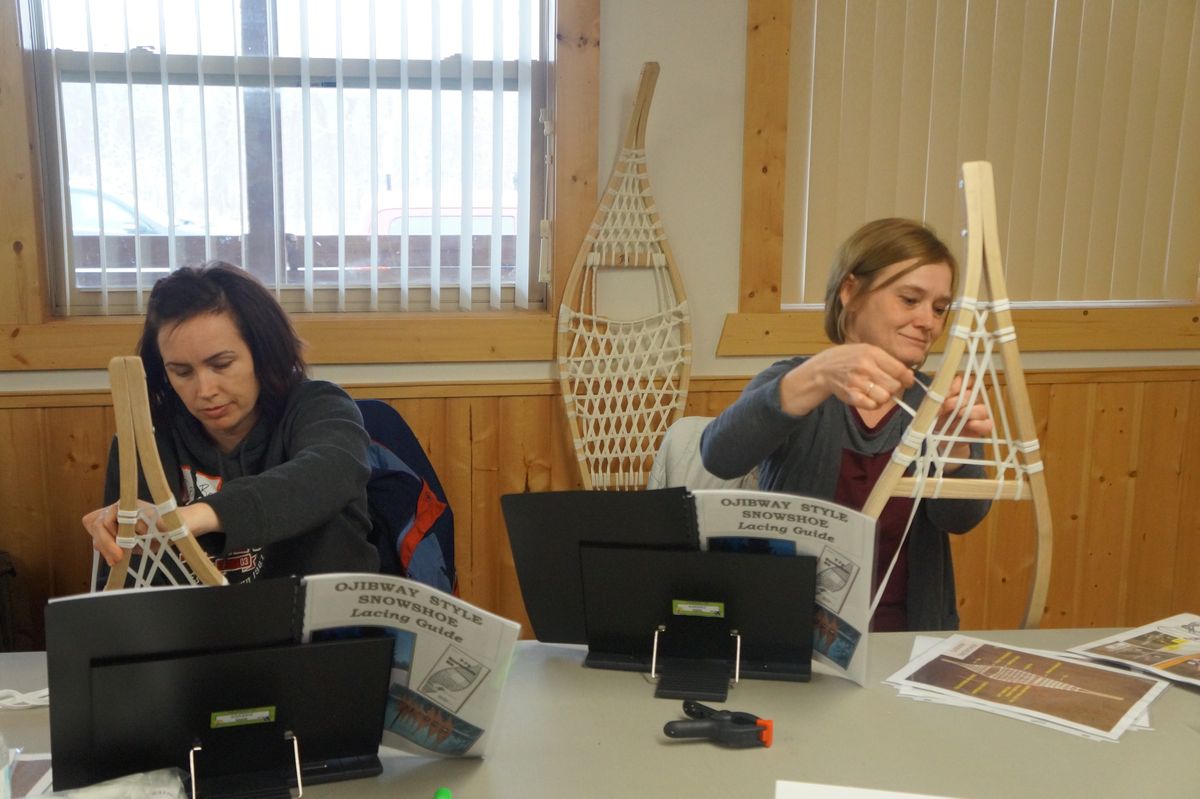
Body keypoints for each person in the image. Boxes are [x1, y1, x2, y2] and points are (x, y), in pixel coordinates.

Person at [700, 218, 993, 631]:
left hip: (905, 633)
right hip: (791, 630)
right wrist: (816, 376)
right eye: (910, 299)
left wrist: (955, 455)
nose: (929, 321)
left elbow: (959, 520)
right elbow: (720, 455)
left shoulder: (938, 404)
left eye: (940, 308)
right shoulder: (796, 382)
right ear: (851, 291)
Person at [82, 261, 379, 584]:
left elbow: (328, 475)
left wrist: (195, 516)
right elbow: (134, 585)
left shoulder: (319, 405)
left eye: (221, 364)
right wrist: (119, 532)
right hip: (195, 630)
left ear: (263, 352)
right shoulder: (148, 435)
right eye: (181, 372)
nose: (205, 391)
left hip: (324, 628)